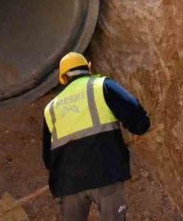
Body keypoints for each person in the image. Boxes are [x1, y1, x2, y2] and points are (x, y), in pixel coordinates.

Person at [43, 52, 150, 221]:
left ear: (63, 78)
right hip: (104, 172)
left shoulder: (50, 108)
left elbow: (48, 159)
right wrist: (140, 128)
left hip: (68, 183)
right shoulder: (102, 86)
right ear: (89, 68)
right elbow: (133, 111)